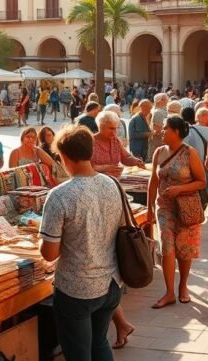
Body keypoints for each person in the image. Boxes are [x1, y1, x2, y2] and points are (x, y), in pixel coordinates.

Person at [39, 126, 124, 361]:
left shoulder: (60, 195)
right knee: (99, 343)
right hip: (112, 283)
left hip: (77, 289)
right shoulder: (111, 184)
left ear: (65, 157)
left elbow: (49, 254)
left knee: (78, 353)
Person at [147, 116, 207, 309]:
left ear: (176, 131)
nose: (162, 131)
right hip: (164, 206)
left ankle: (183, 286)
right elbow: (153, 181)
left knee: (184, 248)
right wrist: (149, 208)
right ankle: (169, 292)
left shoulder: (190, 153)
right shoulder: (159, 152)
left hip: (186, 207)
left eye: (166, 128)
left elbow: (202, 182)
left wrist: (180, 189)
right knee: (167, 247)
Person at [183, 106, 208, 220]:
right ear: (198, 116)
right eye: (204, 115)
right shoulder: (195, 129)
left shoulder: (197, 129)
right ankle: (205, 209)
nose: (206, 117)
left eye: (207, 115)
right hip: (200, 162)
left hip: (203, 162)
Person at [90, 111, 144, 178]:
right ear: (101, 126)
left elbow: (125, 157)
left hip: (115, 180)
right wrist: (103, 168)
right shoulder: (89, 142)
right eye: (111, 128)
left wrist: (136, 161)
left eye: (116, 128)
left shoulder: (116, 141)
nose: (114, 132)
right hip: (95, 181)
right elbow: (84, 167)